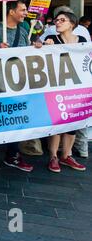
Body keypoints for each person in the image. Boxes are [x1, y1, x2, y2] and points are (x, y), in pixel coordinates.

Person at [0, 0, 34, 177]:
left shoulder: (24, 31)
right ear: (11, 11)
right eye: (22, 10)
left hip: (17, 85)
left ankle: (13, 154)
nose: (25, 13)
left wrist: (37, 48)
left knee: (15, 119)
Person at [42, 11, 87, 173]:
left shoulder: (81, 41)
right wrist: (43, 47)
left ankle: (66, 155)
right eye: (57, 20)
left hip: (75, 89)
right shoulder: (51, 40)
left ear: (72, 24)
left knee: (73, 123)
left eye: (62, 20)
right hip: (57, 88)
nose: (58, 22)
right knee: (58, 122)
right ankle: (53, 156)